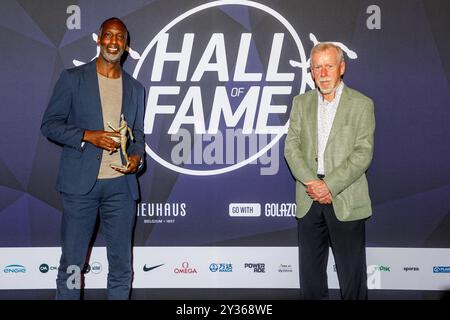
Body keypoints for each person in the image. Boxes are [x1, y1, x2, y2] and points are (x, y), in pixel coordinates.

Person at [41, 17, 145, 300]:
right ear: (99, 39)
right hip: (80, 189)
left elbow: (138, 135)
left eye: (119, 37)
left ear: (125, 45)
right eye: (109, 35)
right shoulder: (73, 79)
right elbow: (50, 125)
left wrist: (137, 158)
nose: (113, 41)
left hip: (121, 189)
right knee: (73, 265)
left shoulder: (136, 89)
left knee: (122, 267)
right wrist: (88, 135)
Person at [284, 42, 375, 300]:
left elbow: (363, 153)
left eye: (329, 66)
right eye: (317, 67)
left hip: (344, 198)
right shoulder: (300, 103)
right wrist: (314, 184)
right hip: (309, 198)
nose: (323, 73)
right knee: (311, 282)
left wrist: (330, 185)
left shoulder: (362, 104)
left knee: (352, 281)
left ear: (342, 68)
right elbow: (291, 149)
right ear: (311, 71)